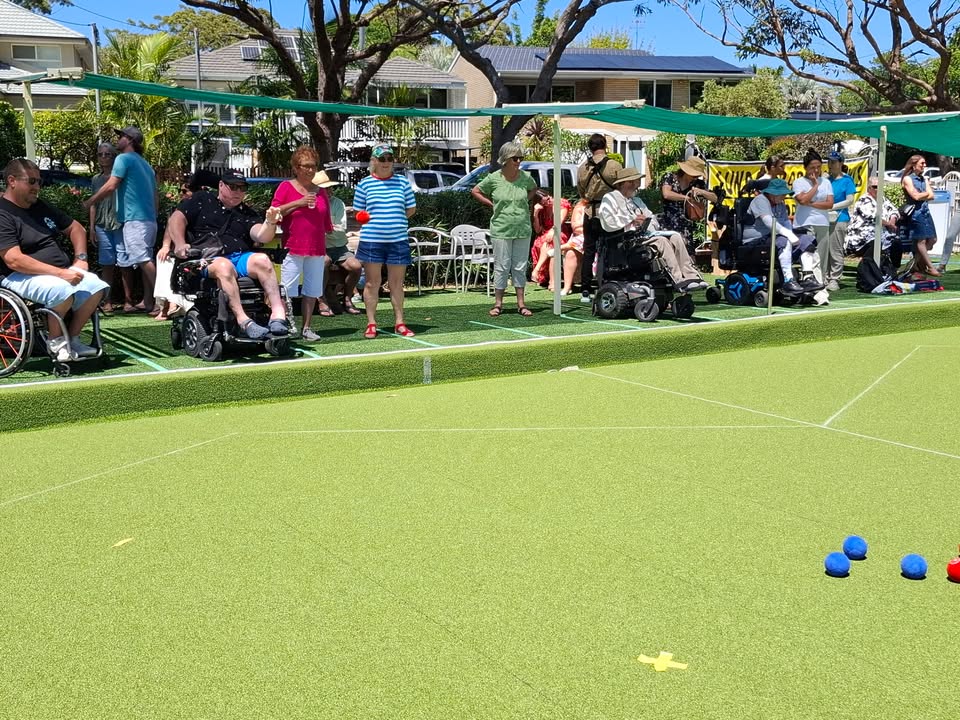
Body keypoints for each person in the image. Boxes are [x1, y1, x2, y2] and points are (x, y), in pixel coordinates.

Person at [0, 158, 109, 361]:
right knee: (62, 289)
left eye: (39, 181)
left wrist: (81, 258)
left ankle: (73, 338)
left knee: (96, 286)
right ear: (12, 181)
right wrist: (61, 273)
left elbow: (76, 228)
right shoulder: (3, 213)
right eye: (31, 181)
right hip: (17, 275)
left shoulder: (39, 206)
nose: (37, 186)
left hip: (59, 271)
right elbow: (13, 259)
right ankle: (55, 342)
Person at [167, 171, 288, 339]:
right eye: (233, 187)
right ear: (221, 186)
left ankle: (278, 314)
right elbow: (176, 219)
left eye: (242, 188)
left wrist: (270, 222)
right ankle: (243, 320)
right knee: (224, 265)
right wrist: (180, 243)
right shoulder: (202, 199)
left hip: (238, 257)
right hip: (206, 259)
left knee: (263, 260)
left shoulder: (247, 213)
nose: (238, 192)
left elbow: (262, 236)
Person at [82, 126, 159, 314]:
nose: (118, 139)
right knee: (145, 259)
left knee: (142, 259)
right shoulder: (145, 164)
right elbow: (156, 195)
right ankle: (148, 302)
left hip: (135, 220)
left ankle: (166, 299)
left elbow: (111, 185)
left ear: (130, 140)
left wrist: (90, 201)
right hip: (149, 220)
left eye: (121, 136)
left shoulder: (123, 159)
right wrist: (154, 216)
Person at [599, 167, 708, 291]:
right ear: (627, 183)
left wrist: (647, 222)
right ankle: (678, 279)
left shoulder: (636, 200)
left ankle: (691, 276)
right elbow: (607, 220)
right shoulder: (610, 198)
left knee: (675, 236)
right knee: (662, 241)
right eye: (636, 182)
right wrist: (632, 218)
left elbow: (650, 217)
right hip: (626, 241)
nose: (638, 186)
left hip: (644, 235)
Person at [353, 144, 417, 338]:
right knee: (373, 283)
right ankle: (371, 323)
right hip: (372, 240)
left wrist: (395, 221)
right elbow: (358, 212)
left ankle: (400, 322)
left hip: (397, 240)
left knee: (397, 283)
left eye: (389, 158)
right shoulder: (364, 184)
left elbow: (411, 209)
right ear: (374, 161)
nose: (386, 162)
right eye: (382, 159)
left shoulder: (402, 183)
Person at [271, 146, 333, 342]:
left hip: (316, 247)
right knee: (287, 289)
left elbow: (326, 222)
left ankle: (306, 328)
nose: (310, 170)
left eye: (313, 166)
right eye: (306, 166)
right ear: (296, 167)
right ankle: (285, 325)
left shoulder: (321, 191)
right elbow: (274, 211)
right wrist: (298, 203)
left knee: (313, 290)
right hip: (293, 245)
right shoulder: (286, 187)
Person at [471, 140, 539, 317]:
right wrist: (491, 203)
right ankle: (498, 303)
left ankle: (521, 303)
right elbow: (476, 191)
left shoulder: (525, 177)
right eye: (515, 158)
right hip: (501, 228)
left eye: (520, 158)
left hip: (523, 228)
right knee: (502, 266)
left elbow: (534, 189)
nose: (518, 161)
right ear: (506, 159)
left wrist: (527, 200)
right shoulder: (494, 178)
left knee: (520, 266)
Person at [741, 178, 826, 299]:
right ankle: (788, 280)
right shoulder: (760, 200)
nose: (784, 196)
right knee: (784, 241)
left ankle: (808, 277)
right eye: (782, 194)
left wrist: (792, 235)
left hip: (776, 235)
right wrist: (789, 235)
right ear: (772, 193)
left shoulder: (780, 203)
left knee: (807, 240)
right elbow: (769, 222)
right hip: (756, 240)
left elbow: (786, 222)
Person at [576, 133, 622, 304]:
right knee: (611, 249)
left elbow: (581, 192)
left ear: (590, 147)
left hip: (590, 211)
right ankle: (609, 284)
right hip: (610, 211)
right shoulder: (615, 165)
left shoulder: (582, 167)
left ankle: (585, 290)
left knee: (589, 251)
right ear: (605, 145)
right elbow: (622, 187)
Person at [316, 170, 362, 314]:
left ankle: (347, 298)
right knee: (324, 262)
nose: (329, 191)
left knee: (356, 266)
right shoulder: (311, 203)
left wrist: (323, 228)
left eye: (330, 187)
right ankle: (321, 299)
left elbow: (341, 229)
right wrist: (328, 228)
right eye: (324, 188)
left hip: (340, 247)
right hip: (320, 248)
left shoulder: (338, 203)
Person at [791, 148, 834, 293]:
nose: (815, 170)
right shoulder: (799, 182)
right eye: (812, 167)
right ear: (805, 168)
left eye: (818, 167)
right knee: (809, 256)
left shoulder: (826, 182)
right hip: (805, 223)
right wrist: (815, 186)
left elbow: (829, 204)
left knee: (821, 256)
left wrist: (812, 204)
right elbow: (802, 200)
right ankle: (811, 286)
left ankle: (820, 285)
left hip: (822, 222)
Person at [88, 142, 123, 313]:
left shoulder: (119, 176)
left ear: (114, 156)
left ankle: (129, 300)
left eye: (107, 154)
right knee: (107, 264)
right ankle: (107, 300)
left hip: (120, 223)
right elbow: (93, 204)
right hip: (102, 225)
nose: (103, 157)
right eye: (100, 154)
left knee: (125, 263)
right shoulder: (96, 179)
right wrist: (92, 227)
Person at [660, 155, 717, 254]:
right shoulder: (670, 177)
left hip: (687, 226)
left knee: (688, 257)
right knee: (670, 254)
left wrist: (702, 192)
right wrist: (687, 198)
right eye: (693, 175)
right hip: (668, 223)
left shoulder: (697, 184)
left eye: (697, 176)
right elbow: (666, 194)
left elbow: (715, 198)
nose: (695, 178)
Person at [900, 154, 939, 276]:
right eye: (922, 163)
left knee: (932, 240)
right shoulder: (907, 179)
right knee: (921, 241)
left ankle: (913, 263)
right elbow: (915, 196)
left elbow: (932, 196)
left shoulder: (924, 179)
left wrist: (924, 194)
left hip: (926, 212)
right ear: (913, 164)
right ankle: (931, 267)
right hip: (916, 214)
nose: (924, 166)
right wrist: (926, 193)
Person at [825, 151, 857, 290]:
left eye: (833, 162)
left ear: (840, 163)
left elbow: (850, 200)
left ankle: (834, 278)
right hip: (825, 218)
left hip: (839, 218)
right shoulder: (826, 180)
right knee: (824, 248)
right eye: (829, 161)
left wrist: (832, 207)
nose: (830, 164)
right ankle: (824, 276)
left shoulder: (847, 180)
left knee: (835, 249)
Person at [530, 194, 572, 289]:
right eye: (544, 203)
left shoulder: (561, 203)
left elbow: (561, 220)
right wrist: (536, 214)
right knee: (544, 243)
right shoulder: (542, 210)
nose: (548, 202)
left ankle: (537, 270)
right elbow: (538, 230)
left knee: (551, 241)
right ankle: (550, 280)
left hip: (560, 231)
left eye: (549, 199)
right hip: (546, 235)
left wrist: (553, 231)